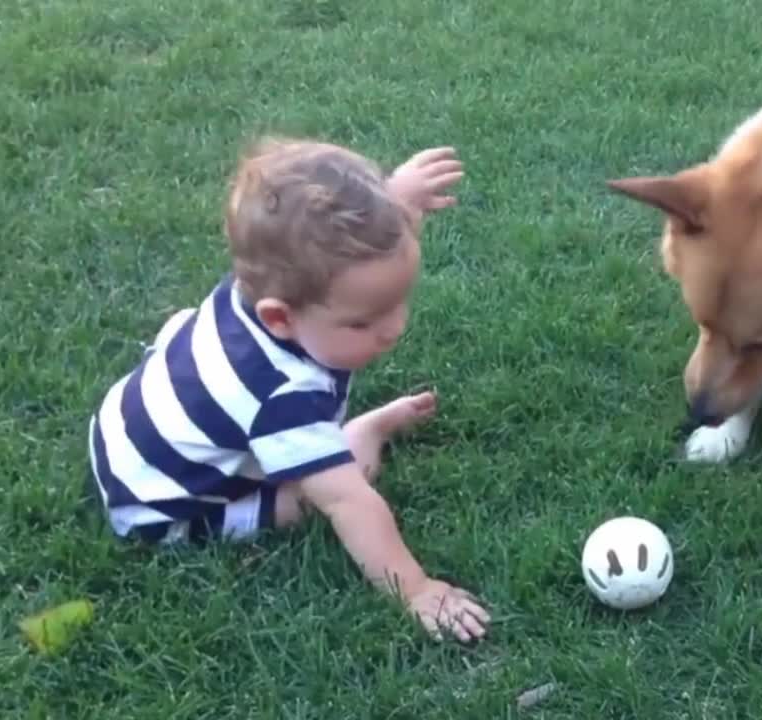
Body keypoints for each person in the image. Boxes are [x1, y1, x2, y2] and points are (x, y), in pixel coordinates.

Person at [86, 137, 490, 643]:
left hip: (123, 430)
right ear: (280, 318)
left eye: (398, 302)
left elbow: (352, 249)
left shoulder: (266, 283)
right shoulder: (281, 397)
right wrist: (416, 589)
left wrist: (396, 204)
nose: (394, 328)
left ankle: (331, 439)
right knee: (320, 494)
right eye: (364, 322)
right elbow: (349, 505)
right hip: (160, 505)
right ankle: (353, 440)